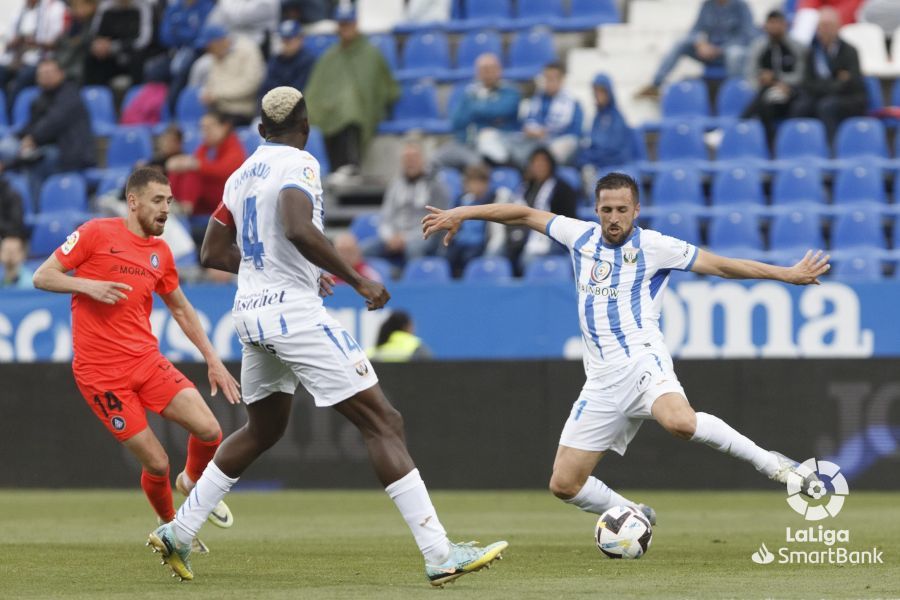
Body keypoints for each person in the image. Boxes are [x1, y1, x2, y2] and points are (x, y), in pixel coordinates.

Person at [148, 86, 507, 585]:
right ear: (306, 128)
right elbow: (297, 227)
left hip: (250, 314)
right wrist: (358, 278)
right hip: (293, 314)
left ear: (259, 131)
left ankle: (179, 531)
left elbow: (212, 251)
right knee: (384, 421)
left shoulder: (239, 175)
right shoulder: (300, 164)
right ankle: (439, 552)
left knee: (263, 429)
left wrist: (277, 265)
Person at [423, 171, 829, 527]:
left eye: (621, 209)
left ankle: (774, 464)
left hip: (641, 361)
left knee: (680, 424)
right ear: (596, 210)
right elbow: (524, 213)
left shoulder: (656, 246)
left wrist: (786, 275)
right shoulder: (579, 235)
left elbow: (721, 265)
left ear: (635, 211)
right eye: (606, 209)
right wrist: (461, 212)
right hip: (600, 382)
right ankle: (632, 513)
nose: (613, 218)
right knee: (564, 485)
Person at [32, 167, 241, 552]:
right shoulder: (95, 233)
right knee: (158, 463)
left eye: (170, 202)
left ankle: (193, 481)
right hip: (100, 375)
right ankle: (171, 526)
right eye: (158, 201)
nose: (166, 209)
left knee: (210, 431)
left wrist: (212, 358)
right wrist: (87, 284)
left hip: (145, 360)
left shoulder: (161, 253)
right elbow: (43, 277)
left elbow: (180, 308)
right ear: (134, 202)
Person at [304, 6, 399, 174]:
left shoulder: (371, 54)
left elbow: (383, 86)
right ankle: (333, 169)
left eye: (348, 24)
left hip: (360, 111)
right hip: (330, 110)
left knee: (350, 111)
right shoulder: (330, 56)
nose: (345, 29)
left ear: (356, 24)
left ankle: (350, 165)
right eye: (342, 24)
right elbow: (316, 91)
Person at [0, 58, 96, 207]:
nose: (45, 76)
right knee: (6, 146)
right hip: (47, 148)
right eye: (42, 73)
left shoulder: (70, 94)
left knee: (34, 162)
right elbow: (31, 126)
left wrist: (32, 139)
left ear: (61, 74)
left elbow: (54, 122)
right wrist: (16, 138)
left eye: (49, 72)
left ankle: (35, 209)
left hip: (71, 153)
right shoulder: (40, 99)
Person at [636, 0, 756, 99]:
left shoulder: (741, 6)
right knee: (680, 44)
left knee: (734, 54)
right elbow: (695, 30)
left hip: (729, 53)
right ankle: (655, 85)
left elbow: (748, 36)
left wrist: (719, 49)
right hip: (709, 53)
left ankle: (736, 93)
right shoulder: (707, 5)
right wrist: (700, 43)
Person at [486, 148, 577, 275]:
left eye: (542, 163)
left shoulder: (562, 188)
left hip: (551, 237)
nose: (539, 167)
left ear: (550, 165)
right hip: (523, 233)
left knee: (528, 258)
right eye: (535, 163)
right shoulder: (525, 188)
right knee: (495, 253)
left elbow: (570, 221)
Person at [165, 111, 246, 244]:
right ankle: (172, 203)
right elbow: (194, 162)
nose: (204, 132)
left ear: (224, 127)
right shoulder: (207, 147)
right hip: (205, 203)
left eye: (209, 127)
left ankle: (183, 208)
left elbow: (226, 170)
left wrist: (193, 164)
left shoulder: (234, 147)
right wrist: (180, 163)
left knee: (194, 170)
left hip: (226, 200)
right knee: (185, 169)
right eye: (202, 128)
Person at [364, 140, 448, 263]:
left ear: (423, 160)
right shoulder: (396, 185)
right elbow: (386, 216)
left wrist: (405, 239)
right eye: (407, 158)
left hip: (422, 235)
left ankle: (413, 280)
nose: (410, 162)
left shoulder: (435, 186)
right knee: (365, 250)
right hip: (394, 236)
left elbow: (438, 220)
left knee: (413, 249)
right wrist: (389, 237)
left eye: (414, 157)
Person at [790, 7, 867, 141]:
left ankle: (832, 148)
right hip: (821, 96)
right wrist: (836, 82)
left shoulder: (849, 51)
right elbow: (807, 83)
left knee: (827, 106)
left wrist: (827, 85)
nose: (823, 30)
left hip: (849, 99)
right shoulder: (811, 52)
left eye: (828, 26)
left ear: (838, 27)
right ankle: (800, 145)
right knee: (800, 107)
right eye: (820, 26)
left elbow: (853, 82)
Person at [434, 53, 521, 170]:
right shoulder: (469, 93)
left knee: (477, 165)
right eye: (483, 70)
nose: (487, 74)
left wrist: (475, 109)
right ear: (477, 73)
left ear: (499, 70)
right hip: (466, 143)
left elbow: (501, 111)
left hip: (500, 144)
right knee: (436, 159)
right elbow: (456, 121)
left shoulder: (510, 92)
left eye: (490, 69)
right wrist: (486, 114)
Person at [742, 10, 807, 148]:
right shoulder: (758, 47)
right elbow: (750, 74)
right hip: (766, 94)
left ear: (785, 25)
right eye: (772, 23)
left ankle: (741, 123)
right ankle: (772, 146)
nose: (775, 27)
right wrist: (765, 82)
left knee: (797, 104)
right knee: (764, 101)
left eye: (779, 23)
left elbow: (801, 75)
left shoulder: (797, 47)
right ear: (765, 25)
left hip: (791, 92)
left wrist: (779, 81)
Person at [511, 62, 583, 167]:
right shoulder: (536, 100)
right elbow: (528, 121)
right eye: (546, 78)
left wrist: (548, 133)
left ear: (561, 80)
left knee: (568, 143)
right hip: (535, 142)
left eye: (552, 78)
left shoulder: (573, 103)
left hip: (558, 143)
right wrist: (532, 130)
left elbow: (575, 133)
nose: (548, 82)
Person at [195, 24, 266, 126]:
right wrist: (208, 93)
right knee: (204, 126)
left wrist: (217, 94)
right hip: (218, 110)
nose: (208, 51)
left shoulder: (247, 49)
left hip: (241, 111)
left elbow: (251, 84)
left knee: (215, 130)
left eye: (209, 47)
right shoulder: (216, 55)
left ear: (218, 42)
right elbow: (212, 82)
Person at [0, 0, 67, 102]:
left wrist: (36, 43)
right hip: (16, 58)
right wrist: (14, 42)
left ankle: (13, 113)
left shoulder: (55, 8)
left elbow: (58, 42)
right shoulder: (19, 10)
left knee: (21, 79)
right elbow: (9, 40)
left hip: (42, 59)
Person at [84, 0, 155, 86]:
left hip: (133, 53)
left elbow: (144, 40)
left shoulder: (143, 7)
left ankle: (137, 93)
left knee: (138, 58)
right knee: (92, 57)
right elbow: (94, 35)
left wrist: (115, 46)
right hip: (109, 55)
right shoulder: (105, 7)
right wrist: (97, 45)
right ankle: (94, 93)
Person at [577, 74, 634, 180]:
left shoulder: (617, 118)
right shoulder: (597, 117)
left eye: (601, 91)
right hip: (596, 162)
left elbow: (614, 149)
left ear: (609, 92)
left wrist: (592, 158)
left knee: (588, 171)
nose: (598, 95)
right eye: (596, 91)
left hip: (611, 163)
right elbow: (592, 143)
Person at [444, 163, 495, 277]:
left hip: (479, 244)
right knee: (447, 256)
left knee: (470, 257)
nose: (476, 187)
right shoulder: (461, 201)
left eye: (479, 183)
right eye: (472, 182)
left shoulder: (491, 202)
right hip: (460, 241)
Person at [259, 20, 316, 100]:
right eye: (283, 39)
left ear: (300, 39)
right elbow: (266, 88)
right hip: (273, 103)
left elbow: (299, 91)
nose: (285, 43)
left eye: (289, 39)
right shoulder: (275, 60)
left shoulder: (308, 61)